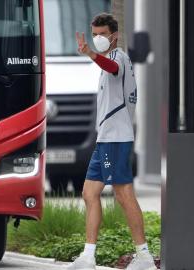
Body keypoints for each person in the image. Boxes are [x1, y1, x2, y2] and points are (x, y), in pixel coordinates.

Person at [66, 13, 157, 270]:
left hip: (116, 140)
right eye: (94, 34)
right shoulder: (107, 59)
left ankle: (144, 257)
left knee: (123, 193)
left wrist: (90, 54)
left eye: (102, 34)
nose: (98, 39)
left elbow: (112, 68)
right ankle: (88, 257)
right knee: (89, 193)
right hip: (105, 140)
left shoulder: (119, 59)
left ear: (114, 35)